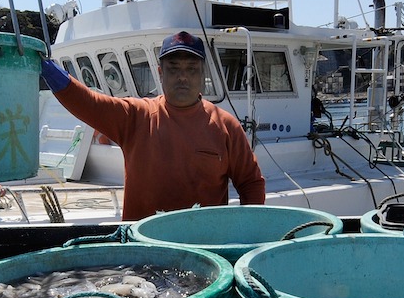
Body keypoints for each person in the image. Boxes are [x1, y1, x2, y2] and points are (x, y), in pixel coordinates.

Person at [40, 30, 266, 220]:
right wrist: (47, 68)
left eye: (191, 69)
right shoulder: (135, 116)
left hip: (205, 247)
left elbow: (250, 182)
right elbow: (88, 103)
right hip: (143, 249)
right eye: (174, 68)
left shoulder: (227, 126)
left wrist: (247, 229)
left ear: (203, 73)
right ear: (160, 73)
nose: (183, 77)